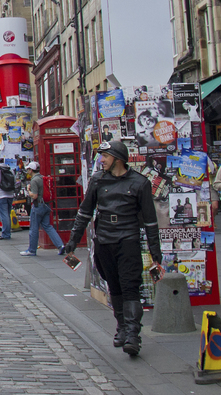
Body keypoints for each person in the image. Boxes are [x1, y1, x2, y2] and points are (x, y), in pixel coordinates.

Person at [64, 140, 163, 357]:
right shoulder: (98, 180)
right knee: (115, 287)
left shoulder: (140, 183)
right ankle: (122, 327)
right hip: (104, 242)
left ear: (117, 158)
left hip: (127, 241)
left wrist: (156, 251)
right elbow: (84, 212)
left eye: (105, 156)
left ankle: (133, 335)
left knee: (130, 287)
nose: (101, 160)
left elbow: (150, 221)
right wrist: (73, 240)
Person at [20, 162, 66, 257]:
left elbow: (35, 195)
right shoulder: (43, 178)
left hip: (38, 206)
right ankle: (60, 245)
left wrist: (28, 191)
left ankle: (32, 250)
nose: (28, 171)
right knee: (48, 226)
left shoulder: (34, 180)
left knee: (33, 228)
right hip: (47, 205)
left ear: (31, 170)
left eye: (28, 169)